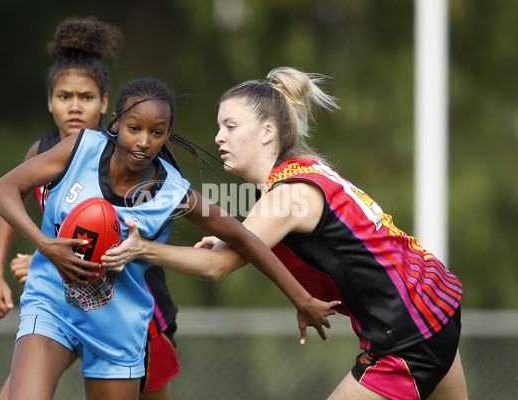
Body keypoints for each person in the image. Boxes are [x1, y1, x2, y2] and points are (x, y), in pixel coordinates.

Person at [103, 67, 468, 399]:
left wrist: (142, 248)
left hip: (406, 332)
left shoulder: (286, 195)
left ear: (267, 132)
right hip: (435, 307)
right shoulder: (305, 168)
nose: (218, 137)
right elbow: (271, 228)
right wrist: (233, 234)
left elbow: (216, 267)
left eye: (230, 126)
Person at [0, 76, 335, 400]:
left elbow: (243, 238)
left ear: (168, 134)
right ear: (116, 123)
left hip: (117, 326)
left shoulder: (173, 193)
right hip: (51, 305)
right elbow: (2, 190)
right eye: (134, 128)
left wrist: (301, 299)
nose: (143, 141)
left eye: (157, 132)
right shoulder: (81, 149)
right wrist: (44, 245)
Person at [0, 17, 178, 400]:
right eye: (64, 96)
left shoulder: (123, 159)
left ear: (106, 106)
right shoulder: (42, 152)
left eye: (85, 98)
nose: (75, 107)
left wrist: (49, 251)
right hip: (67, 296)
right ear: (50, 102)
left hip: (130, 306)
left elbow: (116, 230)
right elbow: (10, 199)